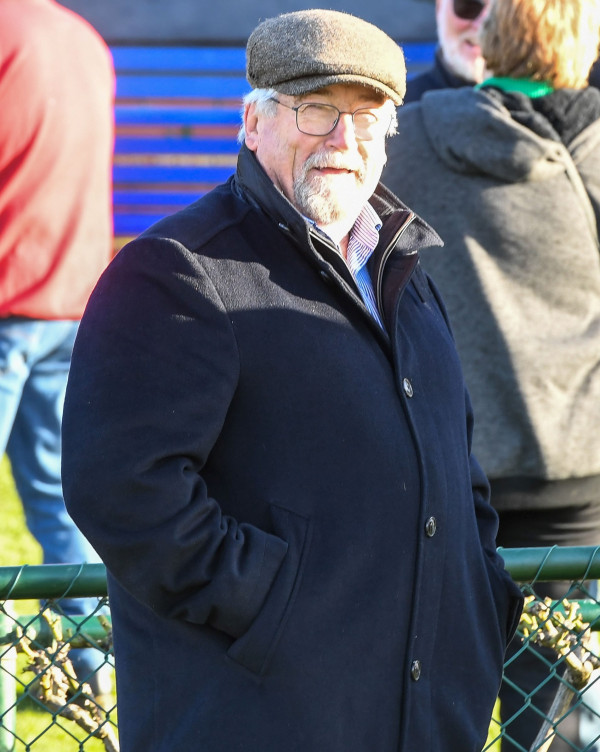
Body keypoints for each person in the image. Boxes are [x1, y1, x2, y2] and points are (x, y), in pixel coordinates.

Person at [61, 9, 523, 751]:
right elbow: (121, 488)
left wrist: (479, 597)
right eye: (316, 110)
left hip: (426, 718)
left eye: (367, 118)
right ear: (253, 123)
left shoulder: (405, 274)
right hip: (261, 718)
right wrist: (275, 606)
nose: (343, 140)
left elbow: (457, 469)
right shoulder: (179, 270)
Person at [383, 0, 600, 749]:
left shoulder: (407, 138)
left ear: (492, 36)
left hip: (448, 469)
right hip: (580, 477)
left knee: (435, 694)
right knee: (562, 709)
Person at [0, 0, 115, 694]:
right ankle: (91, 676)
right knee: (58, 501)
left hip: (7, 296)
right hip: (67, 297)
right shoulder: (82, 39)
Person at [404, 0, 489, 103]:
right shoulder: (399, 106)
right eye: (469, 7)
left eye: (497, 14)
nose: (481, 26)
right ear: (440, 6)